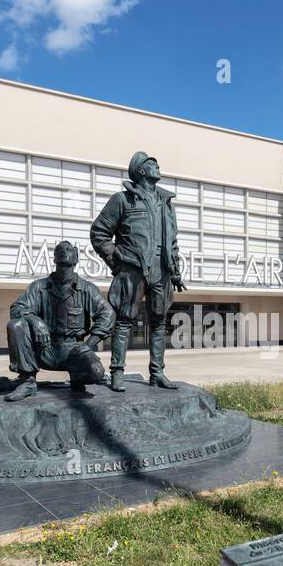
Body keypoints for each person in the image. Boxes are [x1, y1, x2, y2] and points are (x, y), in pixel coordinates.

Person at [90, 150, 185, 392]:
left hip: (161, 270)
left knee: (159, 322)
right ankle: (117, 372)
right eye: (153, 163)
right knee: (124, 321)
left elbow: (172, 240)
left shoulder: (166, 203)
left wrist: (174, 271)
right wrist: (117, 262)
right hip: (133, 269)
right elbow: (99, 233)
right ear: (141, 170)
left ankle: (157, 372)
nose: (158, 165)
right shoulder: (122, 200)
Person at [3, 240, 115, 401]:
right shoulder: (39, 287)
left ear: (75, 262)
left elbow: (108, 314)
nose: (65, 269)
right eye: (61, 265)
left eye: (68, 266)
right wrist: (34, 320)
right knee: (16, 325)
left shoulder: (87, 289)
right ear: (55, 261)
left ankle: (77, 377)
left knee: (96, 373)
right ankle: (27, 381)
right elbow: (17, 308)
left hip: (74, 349)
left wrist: (87, 346)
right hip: (44, 349)